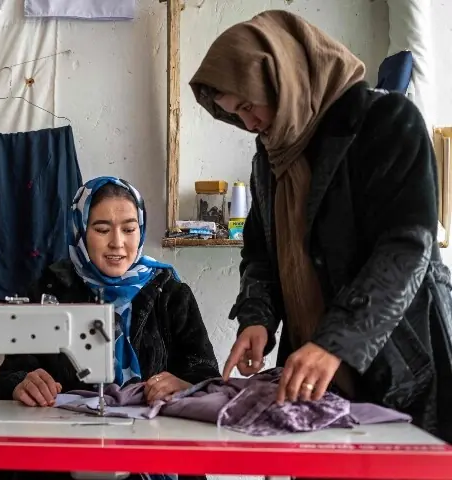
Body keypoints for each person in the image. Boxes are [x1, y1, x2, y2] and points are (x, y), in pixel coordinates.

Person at [189, 9, 452, 443]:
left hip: (402, 377)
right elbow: (260, 253)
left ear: (285, 77)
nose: (250, 123)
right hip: (315, 385)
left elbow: (406, 247)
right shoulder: (271, 156)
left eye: (249, 105)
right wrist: (257, 318)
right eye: (236, 113)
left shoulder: (386, 122)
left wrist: (335, 343)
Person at [0, 177, 220, 480]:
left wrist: (184, 385)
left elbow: (208, 376)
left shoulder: (170, 294)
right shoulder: (49, 290)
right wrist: (23, 382)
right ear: (81, 230)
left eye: (129, 229)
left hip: (152, 454)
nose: (117, 242)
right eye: (101, 229)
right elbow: (9, 375)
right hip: (64, 456)